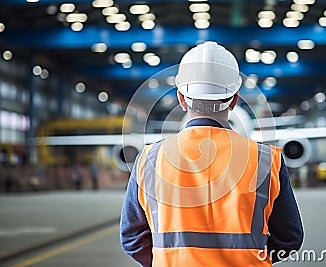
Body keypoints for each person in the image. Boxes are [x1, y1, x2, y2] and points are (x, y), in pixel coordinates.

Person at [120, 41, 303, 266]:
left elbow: (132, 238)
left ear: (181, 98)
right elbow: (289, 238)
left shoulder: (149, 160)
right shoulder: (266, 159)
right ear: (234, 100)